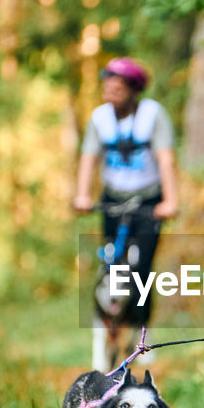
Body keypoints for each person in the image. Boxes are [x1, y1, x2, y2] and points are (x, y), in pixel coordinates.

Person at [74, 57, 178, 364]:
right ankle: (110, 331)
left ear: (133, 90)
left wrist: (169, 201)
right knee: (112, 265)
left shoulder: (153, 115)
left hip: (148, 201)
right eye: (107, 87)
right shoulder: (100, 118)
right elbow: (88, 159)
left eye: (117, 88)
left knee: (142, 270)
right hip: (112, 200)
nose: (110, 93)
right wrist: (82, 195)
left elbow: (166, 159)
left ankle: (143, 334)